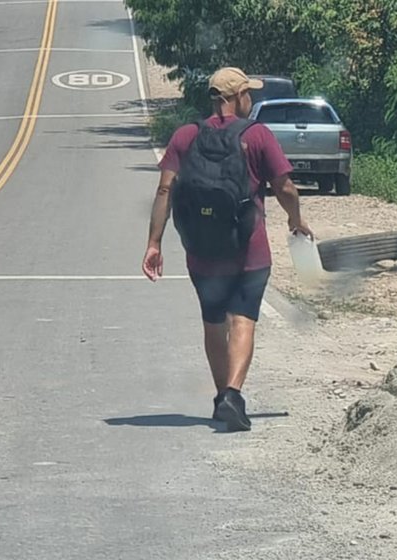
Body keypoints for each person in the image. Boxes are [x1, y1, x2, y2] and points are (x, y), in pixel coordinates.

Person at [141, 67, 313, 432]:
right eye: (248, 93)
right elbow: (285, 189)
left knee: (213, 323)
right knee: (243, 321)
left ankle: (223, 397)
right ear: (237, 97)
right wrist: (295, 220)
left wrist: (154, 242)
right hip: (249, 251)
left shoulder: (186, 136)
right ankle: (233, 394)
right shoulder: (257, 136)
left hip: (202, 252)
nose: (252, 99)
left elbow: (163, 191)